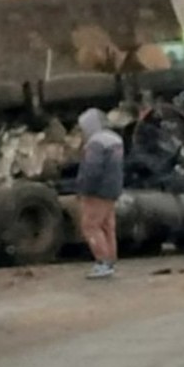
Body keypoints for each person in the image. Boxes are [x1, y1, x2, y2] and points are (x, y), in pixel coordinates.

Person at [76, 108, 125, 279]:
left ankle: (102, 263)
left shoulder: (95, 143)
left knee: (90, 226)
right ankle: (110, 260)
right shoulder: (115, 139)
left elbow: (92, 170)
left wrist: (83, 189)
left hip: (97, 191)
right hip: (112, 190)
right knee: (107, 226)